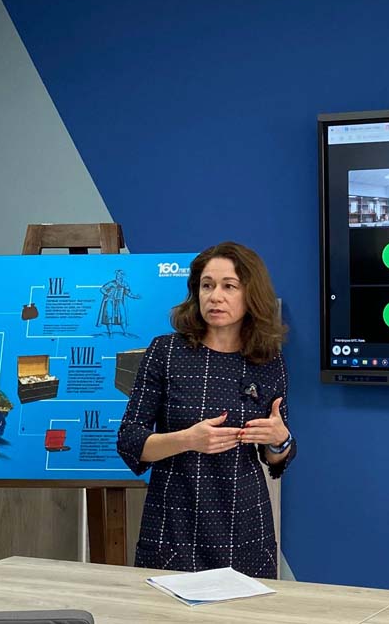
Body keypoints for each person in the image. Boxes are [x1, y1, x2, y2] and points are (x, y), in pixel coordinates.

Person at [117, 242, 295, 579]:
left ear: (251, 294)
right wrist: (187, 440)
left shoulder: (268, 361)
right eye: (207, 285)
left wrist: (279, 439)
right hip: (174, 523)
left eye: (229, 286)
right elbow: (129, 441)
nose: (215, 297)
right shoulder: (165, 352)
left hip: (245, 525)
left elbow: (277, 458)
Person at [97, 269, 140, 336]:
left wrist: (135, 296)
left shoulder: (125, 284)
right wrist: (107, 293)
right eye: (117, 275)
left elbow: (128, 293)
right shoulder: (111, 283)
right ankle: (110, 333)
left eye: (120, 275)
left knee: (122, 317)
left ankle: (125, 332)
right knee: (109, 317)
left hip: (119, 302)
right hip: (110, 301)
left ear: (122, 276)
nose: (118, 276)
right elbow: (102, 289)